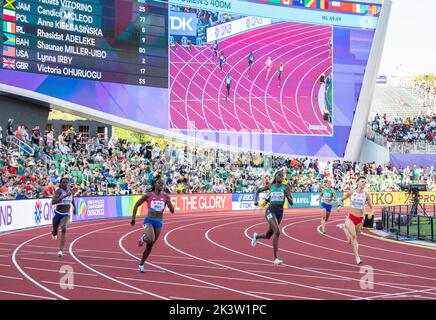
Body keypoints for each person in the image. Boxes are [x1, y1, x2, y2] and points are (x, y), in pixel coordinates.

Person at [130, 176, 175, 273]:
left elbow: (172, 211)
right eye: (159, 183)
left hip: (159, 222)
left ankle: (141, 264)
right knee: (150, 239)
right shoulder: (148, 195)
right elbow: (136, 205)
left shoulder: (166, 197)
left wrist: (169, 202)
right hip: (149, 220)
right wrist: (133, 218)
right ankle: (143, 238)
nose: (161, 185)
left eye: (162, 183)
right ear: (154, 184)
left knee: (150, 246)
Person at [251, 170, 293, 265]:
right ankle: (275, 258)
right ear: (275, 176)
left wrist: (287, 195)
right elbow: (258, 190)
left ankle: (256, 236)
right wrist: (255, 200)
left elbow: (291, 202)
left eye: (283, 176)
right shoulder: (271, 186)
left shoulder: (286, 187)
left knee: (268, 235)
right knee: (277, 232)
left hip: (279, 213)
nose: (281, 177)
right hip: (270, 211)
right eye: (279, 175)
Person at [338, 176, 374, 265]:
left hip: (360, 219)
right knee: (354, 237)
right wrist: (339, 205)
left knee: (352, 238)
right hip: (351, 217)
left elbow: (371, 206)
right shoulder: (351, 192)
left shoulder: (366, 194)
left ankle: (345, 229)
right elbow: (341, 199)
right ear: (357, 182)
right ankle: (357, 257)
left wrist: (371, 213)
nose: (364, 183)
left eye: (365, 182)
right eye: (362, 181)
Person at [51, 177, 77, 257]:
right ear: (61, 184)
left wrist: (75, 207)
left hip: (66, 214)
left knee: (64, 229)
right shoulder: (58, 191)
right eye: (63, 182)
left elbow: (72, 199)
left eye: (66, 182)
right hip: (58, 213)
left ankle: (60, 250)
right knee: (55, 231)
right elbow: (53, 202)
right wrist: (64, 196)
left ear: (68, 183)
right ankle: (54, 233)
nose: (65, 184)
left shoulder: (71, 191)